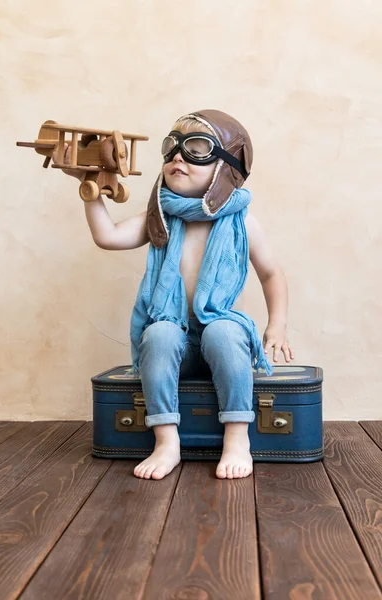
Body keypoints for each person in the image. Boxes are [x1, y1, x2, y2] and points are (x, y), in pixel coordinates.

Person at [56, 109, 294, 481]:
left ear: (226, 168)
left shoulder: (242, 221)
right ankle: (167, 442)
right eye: (172, 149)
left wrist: (276, 325)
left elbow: (271, 274)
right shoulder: (161, 216)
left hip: (219, 336)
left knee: (224, 331)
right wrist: (90, 189)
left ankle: (237, 438)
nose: (177, 157)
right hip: (176, 341)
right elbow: (108, 236)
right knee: (160, 332)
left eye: (196, 148)